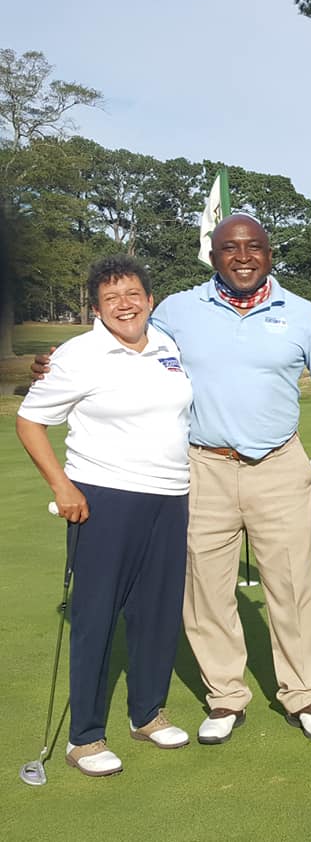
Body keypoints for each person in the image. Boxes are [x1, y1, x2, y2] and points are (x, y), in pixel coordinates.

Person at [33, 213, 311, 746]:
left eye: (254, 247)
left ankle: (303, 695)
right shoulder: (178, 310)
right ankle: (226, 696)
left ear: (270, 253)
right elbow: (123, 332)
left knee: (293, 584)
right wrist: (58, 360)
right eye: (230, 248)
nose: (243, 256)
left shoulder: (302, 315)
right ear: (214, 255)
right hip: (201, 466)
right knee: (205, 590)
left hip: (278, 463)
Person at [17, 256, 192, 777]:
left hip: (170, 495)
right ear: (96, 308)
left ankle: (147, 713)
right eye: (112, 298)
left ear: (150, 300)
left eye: (134, 294)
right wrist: (62, 485)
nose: (125, 305)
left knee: (157, 614)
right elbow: (30, 422)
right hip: (104, 498)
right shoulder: (77, 355)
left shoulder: (168, 347)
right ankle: (85, 737)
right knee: (96, 617)